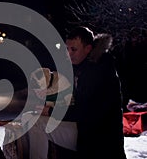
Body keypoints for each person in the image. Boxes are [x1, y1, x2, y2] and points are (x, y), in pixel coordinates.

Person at [23, 26, 127, 159]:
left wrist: (50, 111)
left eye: (74, 49)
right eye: (67, 49)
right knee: (32, 119)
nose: (69, 54)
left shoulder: (99, 71)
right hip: (85, 130)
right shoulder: (83, 67)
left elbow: (85, 112)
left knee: (36, 123)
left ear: (88, 48)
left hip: (99, 140)